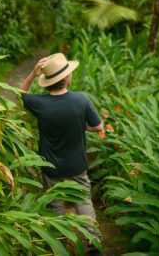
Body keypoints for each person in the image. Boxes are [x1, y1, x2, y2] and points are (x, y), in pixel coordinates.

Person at [19, 53, 103, 228]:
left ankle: (60, 241)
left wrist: (33, 74)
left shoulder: (39, 103)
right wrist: (81, 124)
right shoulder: (81, 99)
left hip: (51, 167)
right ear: (66, 78)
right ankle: (92, 241)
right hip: (77, 165)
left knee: (55, 206)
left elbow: (20, 93)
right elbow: (98, 127)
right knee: (83, 202)